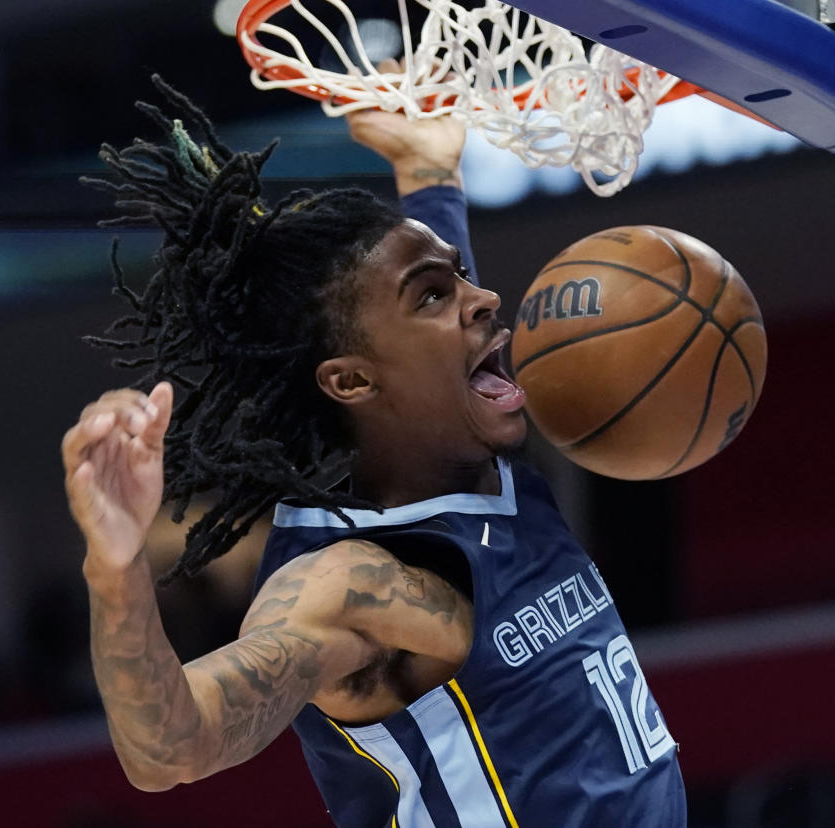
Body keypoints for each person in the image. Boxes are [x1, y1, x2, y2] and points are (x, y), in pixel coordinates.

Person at [62, 78, 684, 826]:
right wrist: (115, 566)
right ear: (351, 381)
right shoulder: (353, 584)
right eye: (432, 294)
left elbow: (426, 339)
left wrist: (430, 173)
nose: (481, 300)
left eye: (459, 276)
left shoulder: (464, 440)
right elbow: (169, 750)